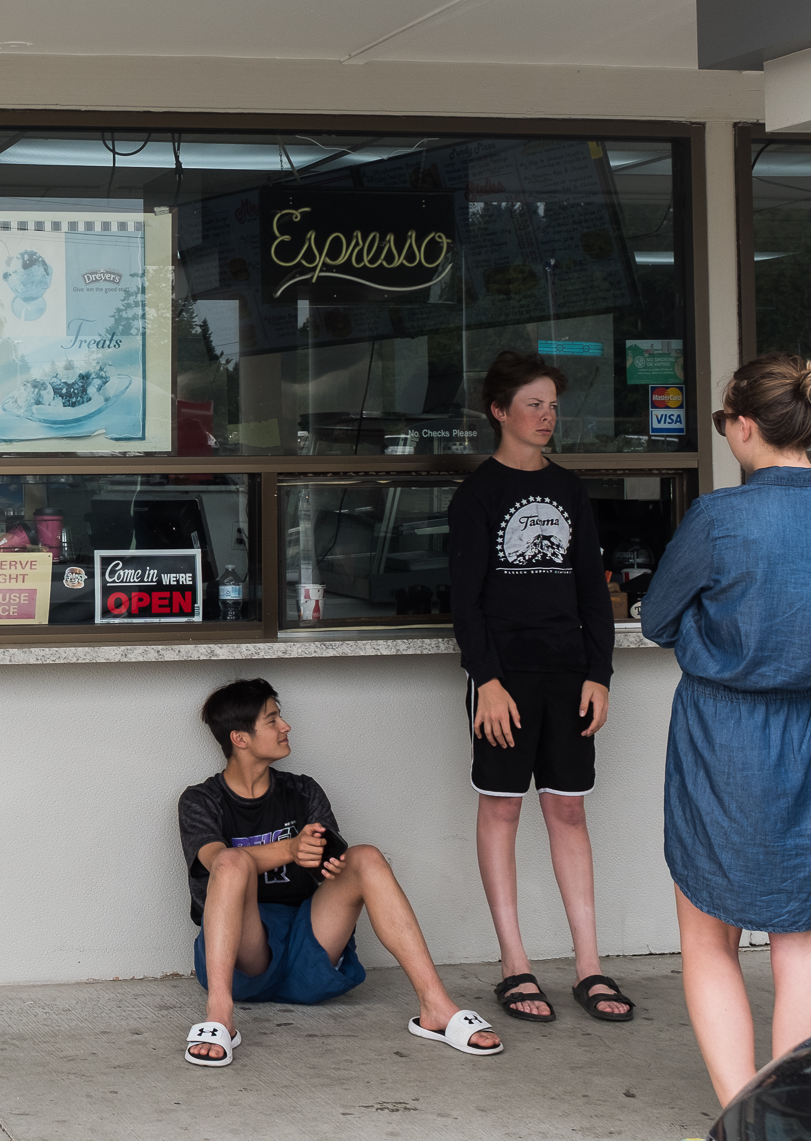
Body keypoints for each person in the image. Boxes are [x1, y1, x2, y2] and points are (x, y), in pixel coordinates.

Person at [642, 353, 811, 1105]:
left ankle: (741, 1114)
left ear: (745, 425)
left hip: (728, 739)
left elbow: (655, 617)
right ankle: (790, 1122)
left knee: (710, 936)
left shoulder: (721, 516)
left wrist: (709, 643)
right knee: (804, 943)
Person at [177, 678, 502, 1066]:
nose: (286, 727)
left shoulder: (303, 791)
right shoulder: (200, 799)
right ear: (240, 738)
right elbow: (215, 861)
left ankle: (437, 1007)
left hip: (309, 948)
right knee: (231, 861)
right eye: (273, 719)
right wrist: (291, 849)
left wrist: (324, 858)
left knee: (366, 857)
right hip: (244, 957)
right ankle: (220, 1016)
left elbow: (332, 867)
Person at [446, 352, 632, 1027]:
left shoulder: (571, 491)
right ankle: (514, 963)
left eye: (552, 404)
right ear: (499, 410)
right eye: (533, 403)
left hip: (568, 675)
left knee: (569, 812)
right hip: (505, 679)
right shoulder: (478, 496)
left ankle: (589, 965)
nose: (547, 416)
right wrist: (486, 679)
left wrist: (599, 674)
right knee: (501, 810)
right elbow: (465, 603)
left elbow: (592, 591)